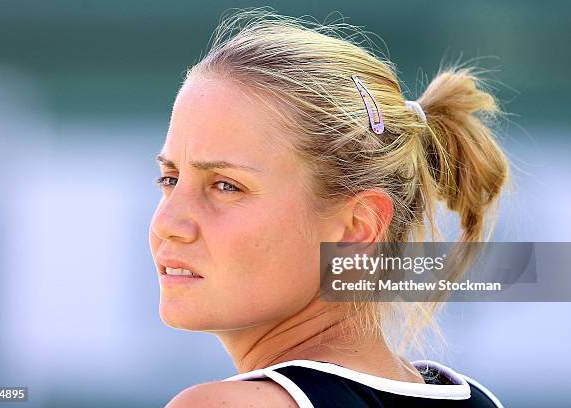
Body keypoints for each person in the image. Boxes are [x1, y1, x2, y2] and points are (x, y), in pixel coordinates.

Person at [149, 7, 508, 407]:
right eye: (170, 179)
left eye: (225, 186)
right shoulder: (480, 401)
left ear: (358, 228)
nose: (167, 222)